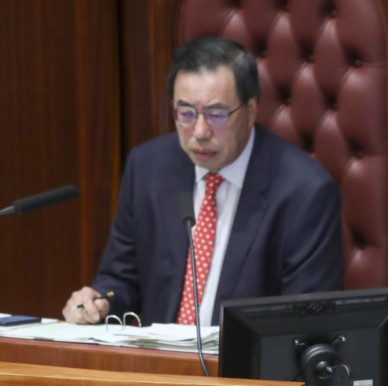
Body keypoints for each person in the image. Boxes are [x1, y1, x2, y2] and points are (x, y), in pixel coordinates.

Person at [63, 36, 343, 326]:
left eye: (216, 115)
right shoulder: (148, 168)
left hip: (241, 356)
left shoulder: (305, 192)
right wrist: (100, 302)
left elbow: (306, 319)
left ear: (250, 111)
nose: (199, 132)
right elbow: (121, 279)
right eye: (185, 114)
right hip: (157, 354)